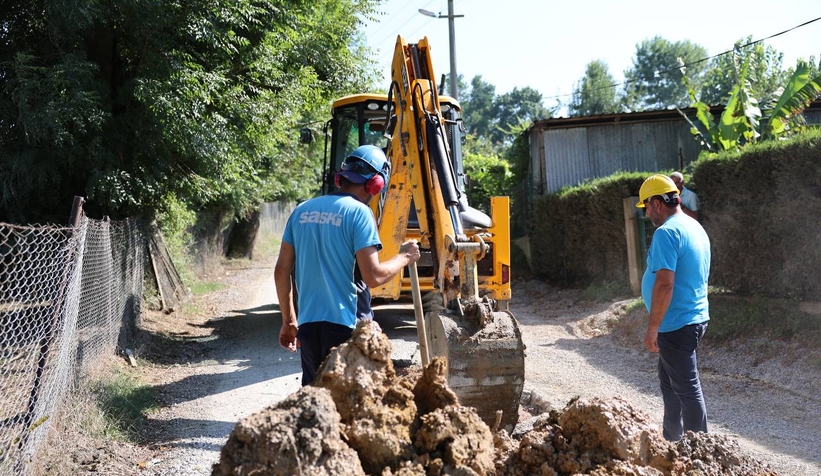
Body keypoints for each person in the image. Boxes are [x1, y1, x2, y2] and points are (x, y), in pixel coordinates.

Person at [274, 144, 421, 386]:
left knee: (315, 400)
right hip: (348, 327)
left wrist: (289, 321)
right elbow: (373, 276)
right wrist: (405, 256)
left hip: (309, 327)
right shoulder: (359, 213)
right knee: (353, 405)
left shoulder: (301, 211)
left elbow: (282, 272)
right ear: (376, 184)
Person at [636, 174, 711, 442]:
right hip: (694, 317)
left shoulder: (667, 232)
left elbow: (665, 284)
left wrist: (653, 327)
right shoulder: (693, 226)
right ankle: (672, 440)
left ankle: (698, 451)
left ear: (657, 203)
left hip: (676, 323)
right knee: (670, 385)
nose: (646, 213)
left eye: (646, 205)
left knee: (687, 388)